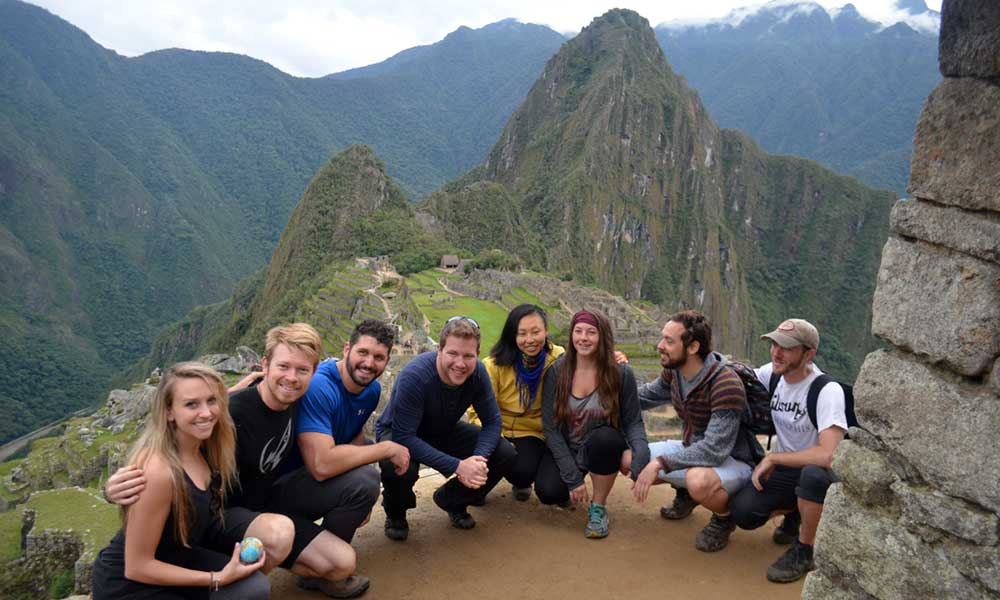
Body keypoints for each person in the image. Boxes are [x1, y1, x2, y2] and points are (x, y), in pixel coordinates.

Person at [106, 323, 368, 599]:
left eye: (302, 370)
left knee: (341, 563)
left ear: (312, 373)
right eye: (283, 367)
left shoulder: (300, 398)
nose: (291, 378)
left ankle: (245, 581)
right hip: (221, 518)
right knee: (268, 555)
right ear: (266, 365)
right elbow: (173, 434)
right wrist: (113, 488)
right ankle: (235, 584)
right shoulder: (229, 415)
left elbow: (345, 379)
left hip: (265, 504)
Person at [92, 362, 271, 599]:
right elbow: (137, 566)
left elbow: (211, 403)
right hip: (129, 584)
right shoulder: (159, 471)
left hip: (179, 556)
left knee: (254, 587)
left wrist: (241, 386)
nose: (206, 413)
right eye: (191, 404)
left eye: (211, 400)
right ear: (169, 412)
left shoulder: (205, 446)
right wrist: (215, 579)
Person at [275, 319, 410, 557]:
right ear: (347, 349)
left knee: (366, 469)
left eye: (378, 357)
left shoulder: (371, 390)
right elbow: (321, 465)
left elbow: (354, 433)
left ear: (387, 361)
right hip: (282, 486)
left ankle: (324, 556)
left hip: (311, 481)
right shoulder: (320, 387)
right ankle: (322, 562)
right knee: (367, 477)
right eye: (363, 352)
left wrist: (364, 501)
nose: (369, 363)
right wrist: (386, 448)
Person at [375, 316, 517, 541]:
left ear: (477, 355)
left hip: (442, 428)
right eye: (453, 353)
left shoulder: (478, 374)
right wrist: (459, 466)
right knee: (399, 465)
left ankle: (453, 499)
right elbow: (405, 437)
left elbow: (492, 422)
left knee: (504, 452)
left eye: (468, 356)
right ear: (439, 349)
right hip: (399, 433)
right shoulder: (416, 376)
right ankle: (396, 511)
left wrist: (477, 461)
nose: (460, 364)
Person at [632, 310, 763, 552]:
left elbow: (714, 450)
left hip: (732, 461)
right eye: (662, 338)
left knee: (698, 480)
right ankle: (686, 495)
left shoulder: (726, 384)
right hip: (692, 448)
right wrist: (606, 392)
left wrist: (660, 463)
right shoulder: (674, 372)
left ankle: (723, 518)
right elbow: (645, 396)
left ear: (692, 347)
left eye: (669, 341)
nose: (660, 346)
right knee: (631, 456)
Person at [729, 318, 847, 583]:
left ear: (809, 354)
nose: (776, 352)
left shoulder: (827, 391)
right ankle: (796, 512)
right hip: (787, 470)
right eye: (774, 344)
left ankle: (805, 549)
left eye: (787, 347)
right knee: (743, 512)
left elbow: (829, 455)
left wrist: (775, 458)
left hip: (822, 475)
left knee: (812, 476)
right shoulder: (772, 375)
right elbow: (729, 373)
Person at [541, 309, 649, 539]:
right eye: (578, 331)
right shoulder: (557, 372)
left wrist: (641, 459)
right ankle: (576, 482)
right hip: (570, 445)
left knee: (606, 439)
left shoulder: (620, 372)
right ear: (571, 335)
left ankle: (598, 506)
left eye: (591, 332)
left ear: (602, 337)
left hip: (601, 444)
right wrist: (572, 478)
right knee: (549, 491)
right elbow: (550, 428)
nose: (583, 338)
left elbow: (633, 421)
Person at [468, 304, 567, 504]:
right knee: (514, 464)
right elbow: (476, 411)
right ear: (512, 335)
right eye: (522, 333)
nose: (529, 340)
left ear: (546, 331)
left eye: (536, 332)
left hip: (540, 430)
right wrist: (495, 439)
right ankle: (487, 483)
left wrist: (612, 358)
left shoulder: (557, 358)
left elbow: (586, 364)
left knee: (539, 481)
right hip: (505, 429)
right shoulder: (494, 365)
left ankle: (541, 477)